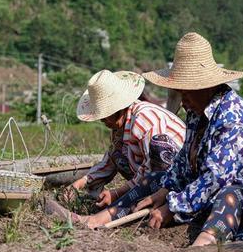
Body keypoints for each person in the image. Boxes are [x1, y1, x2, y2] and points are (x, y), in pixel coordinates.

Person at [74, 33, 243, 247]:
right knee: (156, 179)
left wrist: (172, 206)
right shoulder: (197, 113)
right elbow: (181, 163)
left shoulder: (232, 117)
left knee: (230, 194)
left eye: (186, 93)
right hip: (210, 195)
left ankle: (203, 246)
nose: (182, 100)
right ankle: (99, 220)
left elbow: (216, 178)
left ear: (205, 87)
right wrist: (164, 190)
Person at [70, 69, 186, 208]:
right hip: (149, 175)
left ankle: (154, 199)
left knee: (156, 150)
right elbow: (110, 162)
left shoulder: (143, 118)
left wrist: (117, 193)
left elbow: (151, 164)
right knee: (117, 154)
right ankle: (139, 195)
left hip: (178, 173)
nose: (101, 119)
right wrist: (81, 182)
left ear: (118, 108)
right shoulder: (119, 127)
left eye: (104, 114)